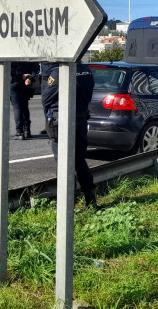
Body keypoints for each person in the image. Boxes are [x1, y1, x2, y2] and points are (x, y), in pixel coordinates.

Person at [41, 62, 96, 207]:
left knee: (63, 163)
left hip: (61, 122)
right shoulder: (86, 71)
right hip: (81, 119)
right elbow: (88, 96)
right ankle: (91, 200)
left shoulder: (59, 72)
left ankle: (67, 204)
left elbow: (45, 99)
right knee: (80, 161)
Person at [10, 62, 40, 140]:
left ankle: (19, 131)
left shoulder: (9, 52)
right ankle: (27, 131)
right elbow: (35, 66)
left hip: (14, 81)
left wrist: (20, 75)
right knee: (24, 106)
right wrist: (29, 78)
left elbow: (7, 67)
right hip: (26, 82)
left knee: (17, 107)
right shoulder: (28, 51)